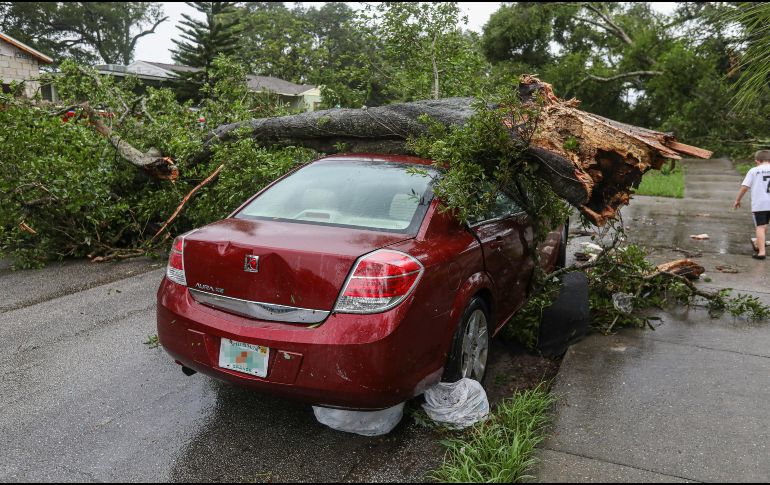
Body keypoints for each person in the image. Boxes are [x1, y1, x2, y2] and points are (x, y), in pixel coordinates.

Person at [734, 150, 770, 260]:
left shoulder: (754, 171)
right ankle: (757, 243)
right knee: (765, 225)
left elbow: (745, 187)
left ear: (757, 161)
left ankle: (761, 252)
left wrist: (737, 200)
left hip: (760, 204)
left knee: (760, 227)